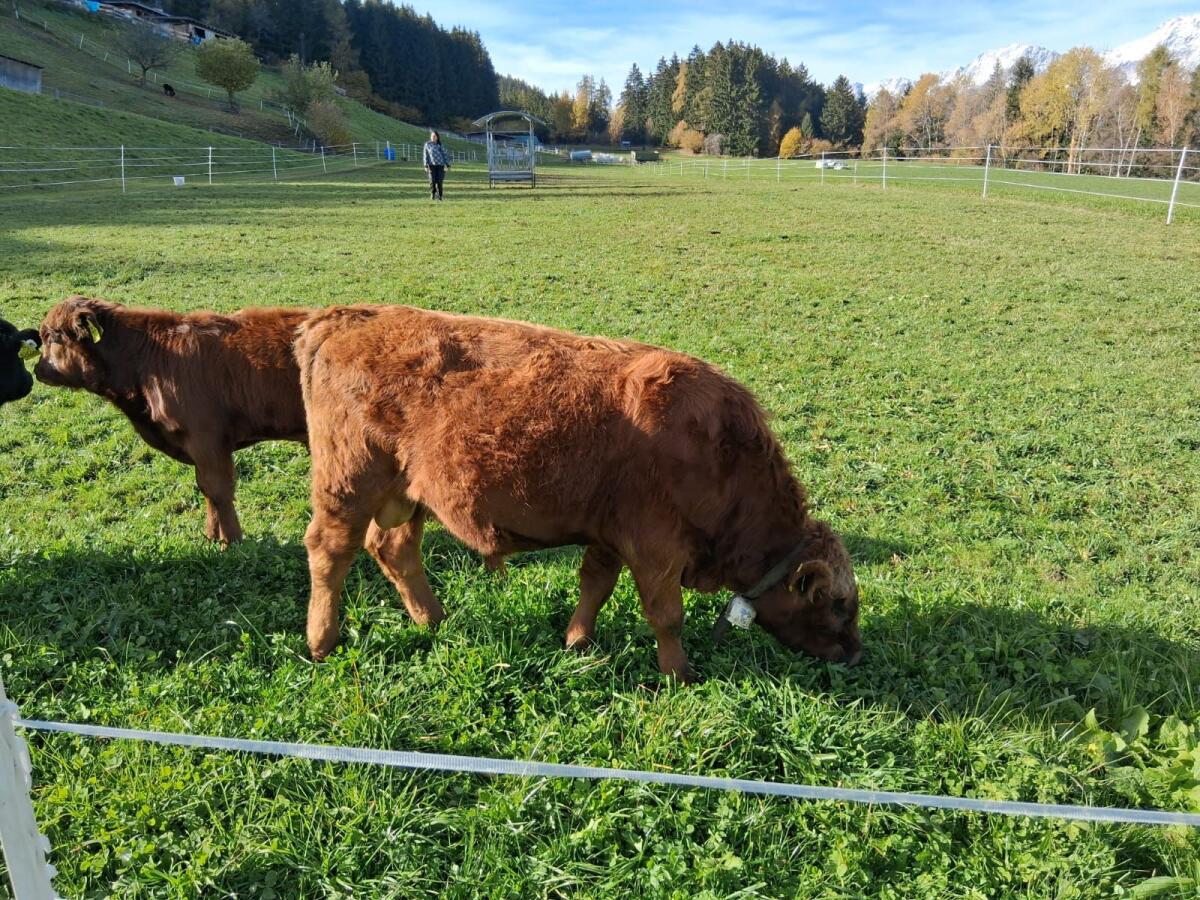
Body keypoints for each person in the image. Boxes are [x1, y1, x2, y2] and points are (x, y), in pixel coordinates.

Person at [423, 130, 451, 200]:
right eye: (432, 136)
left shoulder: (440, 145)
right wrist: (425, 165)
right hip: (431, 165)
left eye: (434, 136)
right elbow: (425, 155)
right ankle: (433, 193)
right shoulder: (427, 144)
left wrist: (448, 165)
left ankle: (440, 196)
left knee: (439, 181)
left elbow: (445, 155)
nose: (433, 137)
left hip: (440, 165)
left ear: (437, 137)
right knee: (432, 181)